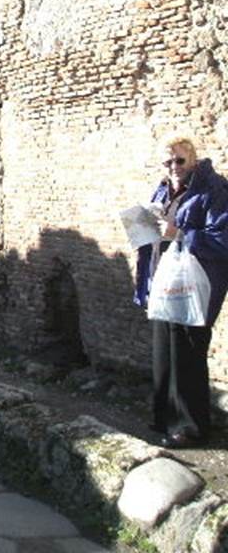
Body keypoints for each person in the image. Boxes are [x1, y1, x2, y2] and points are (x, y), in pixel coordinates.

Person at [133, 136, 228, 448]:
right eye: (168, 162)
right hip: (165, 281)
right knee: (164, 348)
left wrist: (180, 234)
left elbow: (222, 239)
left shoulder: (213, 190)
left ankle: (191, 427)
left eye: (180, 160)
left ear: (194, 160)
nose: (174, 167)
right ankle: (165, 417)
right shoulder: (163, 190)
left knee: (188, 350)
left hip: (197, 284)